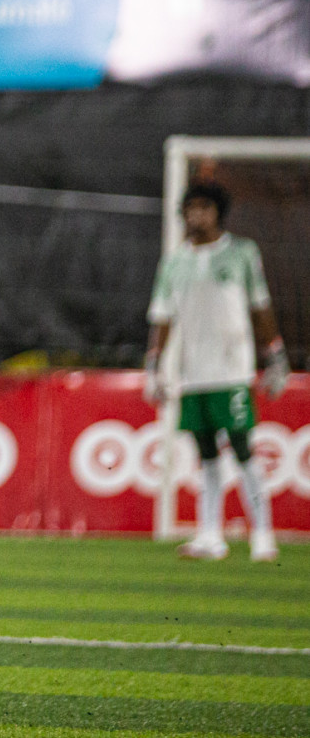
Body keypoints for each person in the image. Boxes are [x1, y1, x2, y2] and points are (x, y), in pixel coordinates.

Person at [145, 180, 290, 563]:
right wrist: (154, 365)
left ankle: (263, 534)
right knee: (205, 454)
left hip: (232, 370)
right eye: (190, 208)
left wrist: (274, 355)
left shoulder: (241, 253)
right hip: (194, 373)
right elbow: (162, 316)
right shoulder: (175, 262)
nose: (195, 215)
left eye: (203, 207)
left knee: (243, 449)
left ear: (217, 211)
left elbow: (260, 307)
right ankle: (210, 536)